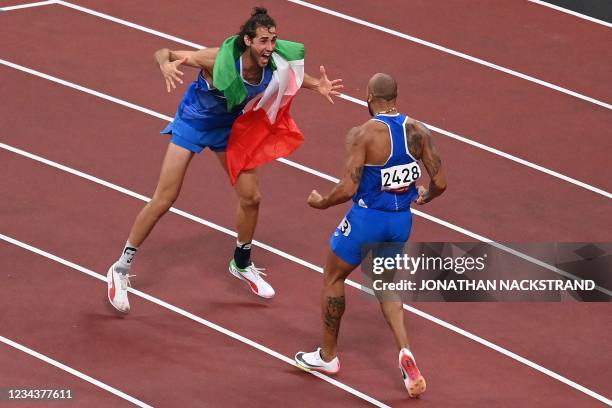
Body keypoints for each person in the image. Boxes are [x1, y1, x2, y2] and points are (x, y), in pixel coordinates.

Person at [106, 7, 342, 313]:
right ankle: (120, 268)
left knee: (252, 198)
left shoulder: (273, 63)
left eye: (273, 40)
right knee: (164, 199)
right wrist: (165, 64)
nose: (270, 47)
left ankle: (241, 263)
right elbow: (163, 51)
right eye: (263, 41)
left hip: (228, 130)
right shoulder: (218, 59)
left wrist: (317, 86)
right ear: (247, 40)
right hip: (193, 123)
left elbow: (295, 74)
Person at [294, 73, 446, 398]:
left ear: (368, 97)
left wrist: (321, 204)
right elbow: (441, 182)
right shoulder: (419, 131)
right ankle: (405, 352)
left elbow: (348, 188)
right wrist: (424, 196)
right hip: (401, 221)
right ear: (396, 96)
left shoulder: (364, 134)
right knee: (386, 286)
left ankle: (327, 357)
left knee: (334, 278)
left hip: (367, 219)